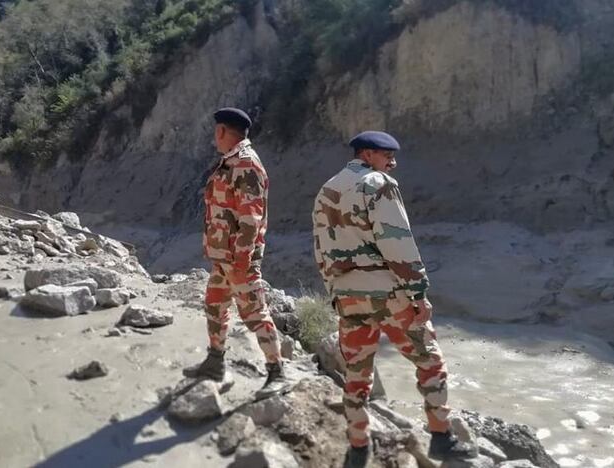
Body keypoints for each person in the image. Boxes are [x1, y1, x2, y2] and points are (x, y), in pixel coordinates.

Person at [311, 131, 476, 467]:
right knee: (429, 361)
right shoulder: (378, 183)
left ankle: (358, 447)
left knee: (357, 374)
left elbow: (320, 249)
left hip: (348, 295)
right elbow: (397, 241)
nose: (393, 163)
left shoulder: (326, 190)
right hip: (389, 294)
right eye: (388, 155)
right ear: (368, 154)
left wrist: (335, 293)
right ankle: (441, 439)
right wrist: (418, 293)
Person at [183, 107, 286, 397]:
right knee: (215, 305)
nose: (214, 137)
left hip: (239, 259)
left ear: (222, 131)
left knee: (254, 313)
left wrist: (242, 261)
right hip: (224, 258)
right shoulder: (231, 161)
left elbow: (251, 220)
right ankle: (215, 362)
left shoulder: (245, 163)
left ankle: (278, 372)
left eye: (216, 132)